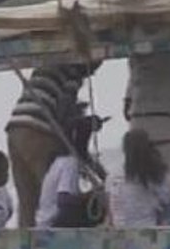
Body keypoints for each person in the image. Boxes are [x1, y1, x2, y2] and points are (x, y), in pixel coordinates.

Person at [5, 62, 100, 228]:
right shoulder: (72, 73)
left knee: (27, 201)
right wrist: (87, 125)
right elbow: (65, 118)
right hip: (38, 128)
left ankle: (25, 245)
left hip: (15, 127)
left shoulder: (45, 64)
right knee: (49, 199)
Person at [124, 51, 170, 180]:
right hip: (168, 129)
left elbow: (126, 110)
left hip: (136, 130)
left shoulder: (137, 69)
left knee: (137, 182)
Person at [33, 115, 106, 228]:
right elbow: (64, 200)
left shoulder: (60, 161)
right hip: (52, 224)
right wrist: (90, 195)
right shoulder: (69, 162)